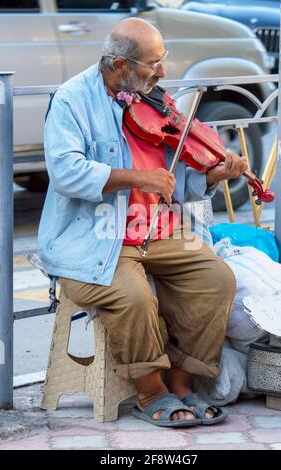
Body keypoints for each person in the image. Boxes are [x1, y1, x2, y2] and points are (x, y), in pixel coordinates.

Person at [38, 18, 247, 428]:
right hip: (93, 235)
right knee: (133, 295)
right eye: (154, 64)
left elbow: (174, 182)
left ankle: (182, 382)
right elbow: (65, 172)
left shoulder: (147, 100)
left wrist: (212, 176)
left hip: (157, 227)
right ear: (119, 65)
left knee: (216, 280)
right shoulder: (72, 100)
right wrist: (135, 178)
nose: (164, 74)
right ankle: (151, 392)